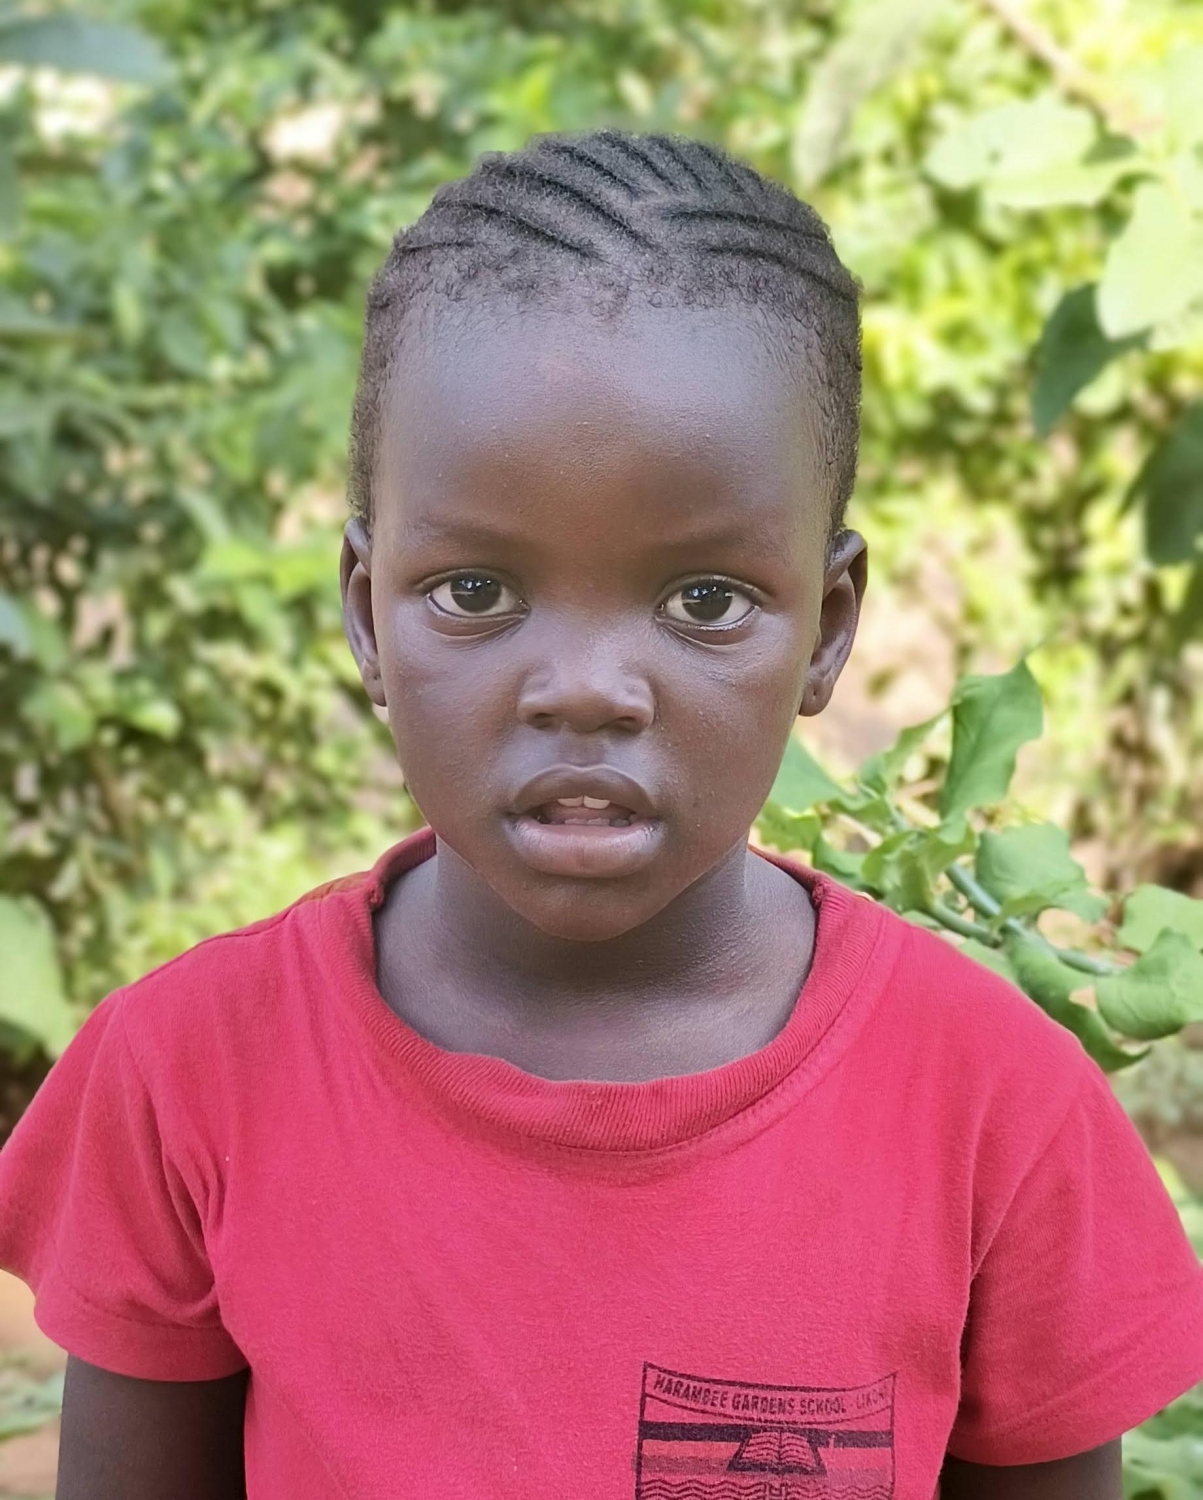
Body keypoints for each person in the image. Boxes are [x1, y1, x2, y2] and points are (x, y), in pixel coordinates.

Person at [0, 128, 1199, 1500]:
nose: (584, 689)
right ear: (365, 612)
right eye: (474, 592)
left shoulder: (996, 1113)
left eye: (705, 600)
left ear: (827, 626)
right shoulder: (189, 1073)